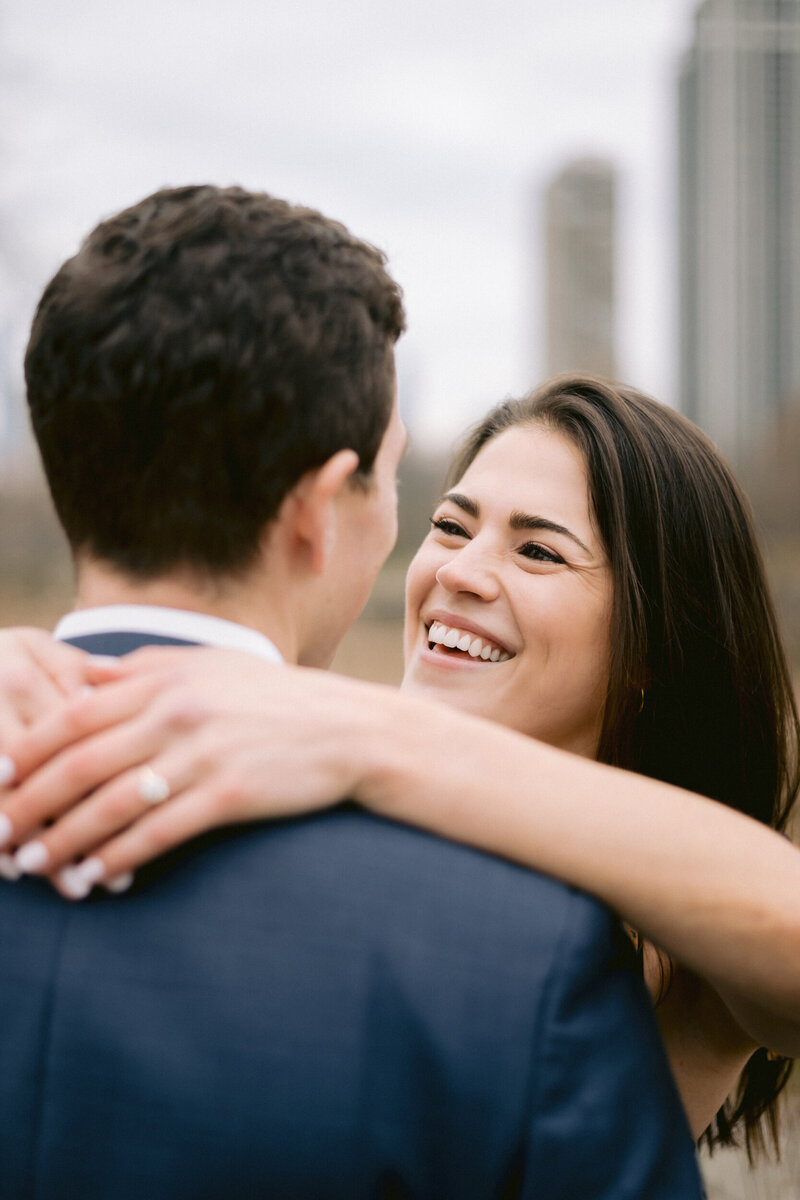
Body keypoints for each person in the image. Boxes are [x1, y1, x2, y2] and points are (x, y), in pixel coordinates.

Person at [0, 188, 704, 1199]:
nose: (452, 566)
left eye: (538, 549)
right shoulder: (519, 955)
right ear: (319, 510)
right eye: (414, 497)